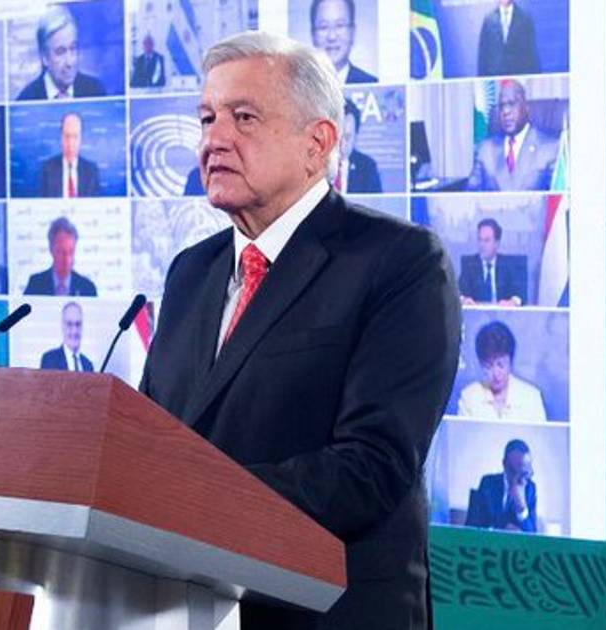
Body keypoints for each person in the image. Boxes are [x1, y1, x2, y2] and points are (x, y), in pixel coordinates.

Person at [139, 32, 459, 629]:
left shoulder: (400, 262)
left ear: (318, 143)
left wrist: (190, 499)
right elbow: (150, 438)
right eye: (207, 118)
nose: (214, 139)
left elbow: (372, 466)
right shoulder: (190, 272)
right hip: (184, 610)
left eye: (243, 117)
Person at [467, 79, 560, 192]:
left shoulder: (551, 148)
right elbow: (471, 193)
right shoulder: (485, 148)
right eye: (502, 106)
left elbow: (557, 198)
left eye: (512, 104)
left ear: (526, 108)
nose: (506, 111)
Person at [457, 321, 547, 421]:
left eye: (501, 365)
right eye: (489, 366)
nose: (496, 373)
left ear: (510, 362)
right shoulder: (469, 396)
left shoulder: (531, 397)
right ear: (481, 364)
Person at [17, 6, 106, 100]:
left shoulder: (95, 92)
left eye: (73, 48)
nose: (69, 62)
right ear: (44, 58)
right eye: (61, 52)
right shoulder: (27, 99)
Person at [464, 439, 537, 532]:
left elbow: (532, 534)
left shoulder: (530, 489)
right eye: (514, 471)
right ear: (504, 465)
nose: (519, 478)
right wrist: (501, 530)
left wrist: (521, 507)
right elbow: (473, 526)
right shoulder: (488, 484)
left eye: (524, 473)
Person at [458, 218, 527, 305]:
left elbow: (521, 295)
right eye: (480, 239)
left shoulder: (508, 265)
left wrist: (513, 302)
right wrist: (463, 299)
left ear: (497, 243)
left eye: (486, 240)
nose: (482, 245)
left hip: (502, 313)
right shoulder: (469, 264)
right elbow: (457, 293)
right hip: (476, 313)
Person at [24, 217, 98, 296]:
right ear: (51, 249)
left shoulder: (87, 288)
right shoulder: (35, 285)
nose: (67, 259)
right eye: (61, 252)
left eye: (71, 252)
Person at [310, 0, 377, 84]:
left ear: (352, 32)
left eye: (340, 25)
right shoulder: (299, 86)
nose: (332, 37)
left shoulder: (372, 84)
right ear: (313, 34)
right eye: (323, 27)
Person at [38, 113, 100, 197]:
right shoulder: (47, 169)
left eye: (75, 136)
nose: (70, 143)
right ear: (61, 138)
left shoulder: (91, 171)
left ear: (81, 139)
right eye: (67, 136)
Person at [476, 0, 540, 77]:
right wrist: (481, 79)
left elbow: (531, 52)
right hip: (495, 76)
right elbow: (483, 53)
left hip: (519, 75)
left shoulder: (525, 18)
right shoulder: (489, 20)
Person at [336, 99, 382, 194]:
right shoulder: (317, 165)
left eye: (347, 137)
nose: (342, 144)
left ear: (355, 136)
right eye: (338, 136)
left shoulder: (367, 167)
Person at [40, 302, 94, 371]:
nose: (74, 331)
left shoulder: (88, 365)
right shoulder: (49, 360)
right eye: (69, 324)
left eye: (78, 324)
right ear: (62, 326)